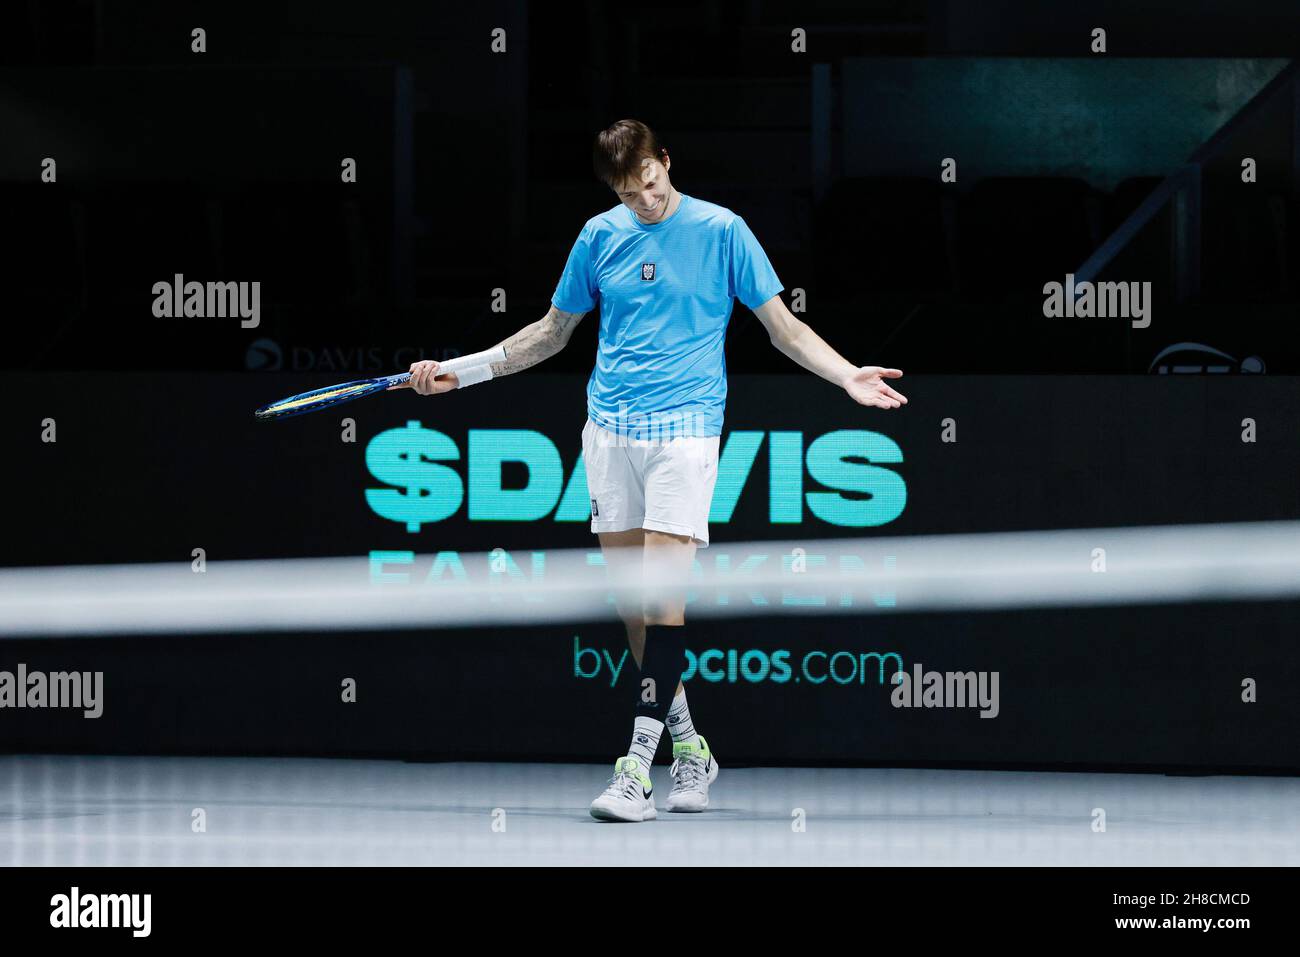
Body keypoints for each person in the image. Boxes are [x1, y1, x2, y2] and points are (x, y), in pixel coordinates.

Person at [398, 118, 907, 822]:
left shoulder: (724, 230)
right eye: (630, 192)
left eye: (652, 182)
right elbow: (551, 333)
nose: (646, 199)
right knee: (637, 609)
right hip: (609, 433)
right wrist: (461, 372)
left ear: (665, 161)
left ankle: (636, 767)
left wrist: (848, 374)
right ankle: (691, 748)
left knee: (664, 602)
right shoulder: (598, 237)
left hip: (687, 431)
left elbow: (783, 328)